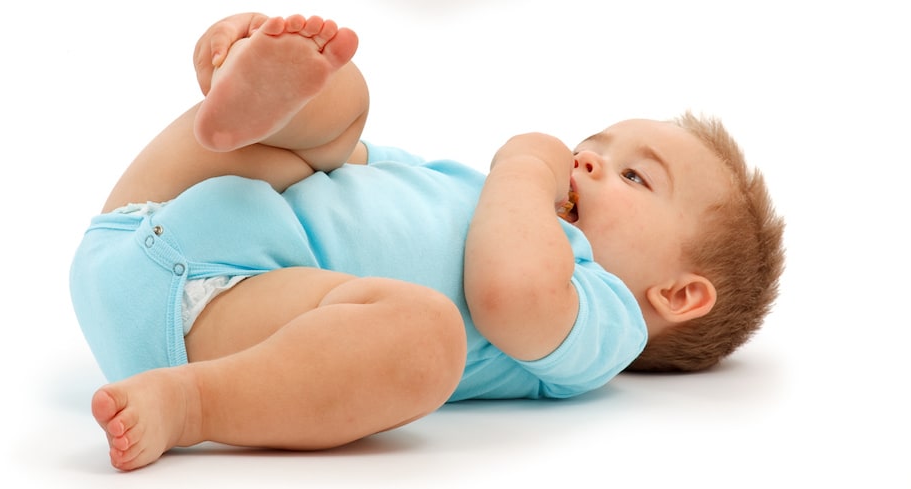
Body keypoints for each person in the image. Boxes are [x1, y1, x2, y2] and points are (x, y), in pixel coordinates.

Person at [69, 12, 785, 471]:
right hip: (150, 219)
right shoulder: (477, 190)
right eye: (592, 145)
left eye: (633, 176)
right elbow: (347, 166)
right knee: (345, 106)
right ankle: (247, 84)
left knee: (427, 336)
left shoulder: (604, 314)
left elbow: (508, 292)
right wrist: (318, 124)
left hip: (217, 317)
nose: (586, 160)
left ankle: (193, 405)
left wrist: (525, 165)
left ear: (679, 293)